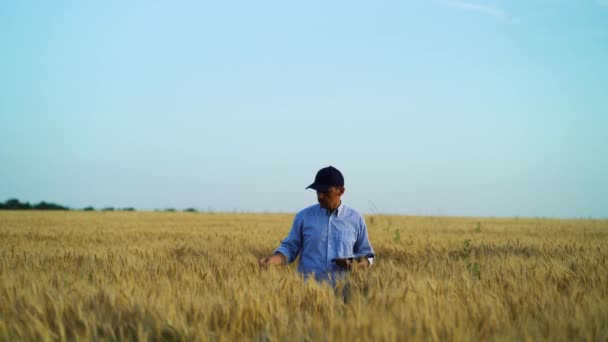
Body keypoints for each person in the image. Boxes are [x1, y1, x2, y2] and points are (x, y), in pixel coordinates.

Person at [258, 166, 375, 284]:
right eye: (318, 191)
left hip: (344, 294)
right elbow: (290, 248)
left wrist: (356, 265)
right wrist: (272, 261)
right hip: (307, 293)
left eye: (325, 192)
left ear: (341, 191)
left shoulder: (356, 219)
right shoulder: (303, 216)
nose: (320, 196)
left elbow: (367, 256)